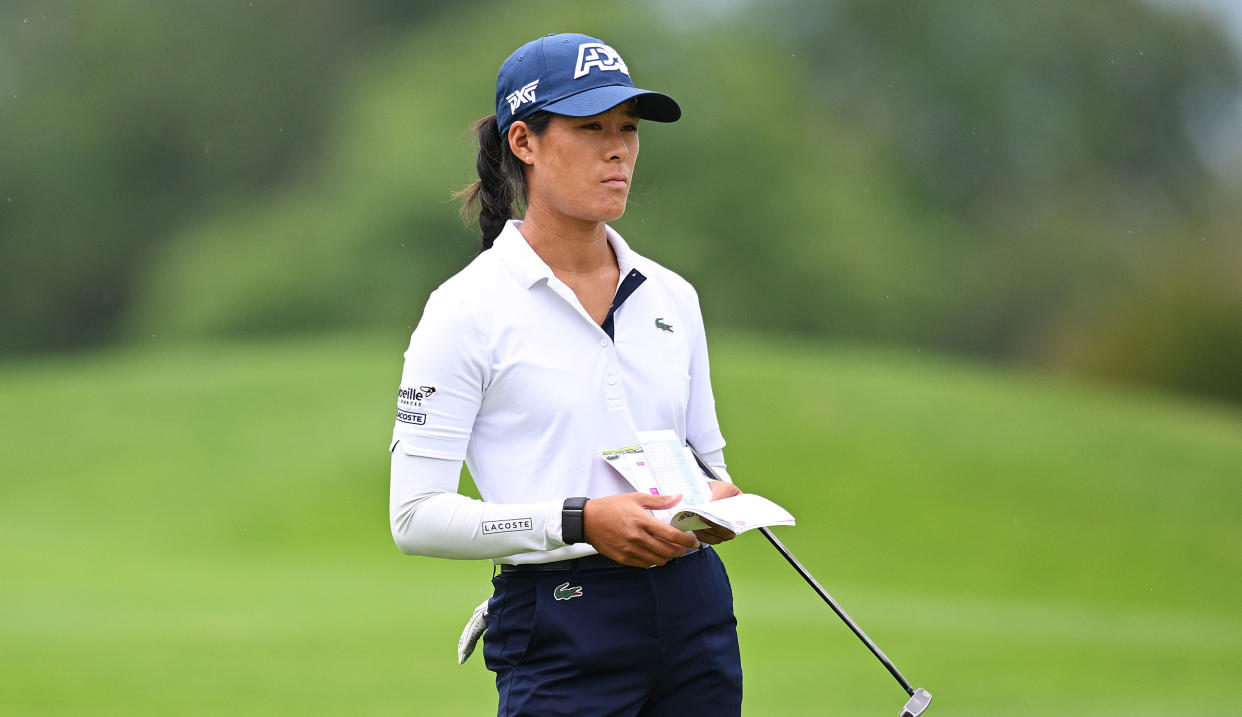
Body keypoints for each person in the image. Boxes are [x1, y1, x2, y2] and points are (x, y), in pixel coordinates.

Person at [389, 32, 743, 717]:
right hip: (562, 619)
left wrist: (714, 504)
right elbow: (415, 516)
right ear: (524, 142)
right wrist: (578, 519)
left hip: (694, 612)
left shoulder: (673, 297)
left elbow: (705, 462)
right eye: (591, 129)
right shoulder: (464, 309)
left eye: (629, 129)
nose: (619, 150)